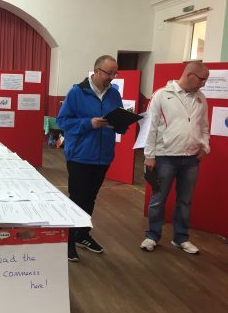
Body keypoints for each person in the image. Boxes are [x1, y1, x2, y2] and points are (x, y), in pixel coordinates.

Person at [57, 55, 126, 262]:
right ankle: (68, 242)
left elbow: (119, 122)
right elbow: (62, 121)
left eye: (115, 73)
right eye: (109, 73)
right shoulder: (77, 92)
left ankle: (82, 235)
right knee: (77, 200)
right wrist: (89, 123)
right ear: (96, 71)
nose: (112, 77)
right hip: (80, 156)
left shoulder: (114, 94)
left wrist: (122, 123)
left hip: (103, 157)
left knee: (90, 198)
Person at [140, 61, 210, 254]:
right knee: (158, 198)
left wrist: (205, 147)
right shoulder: (162, 95)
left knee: (185, 200)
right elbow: (150, 127)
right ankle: (152, 235)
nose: (204, 83)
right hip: (164, 157)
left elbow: (204, 126)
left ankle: (180, 238)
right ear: (189, 75)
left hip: (191, 159)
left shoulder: (201, 98)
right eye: (202, 79)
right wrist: (149, 155)